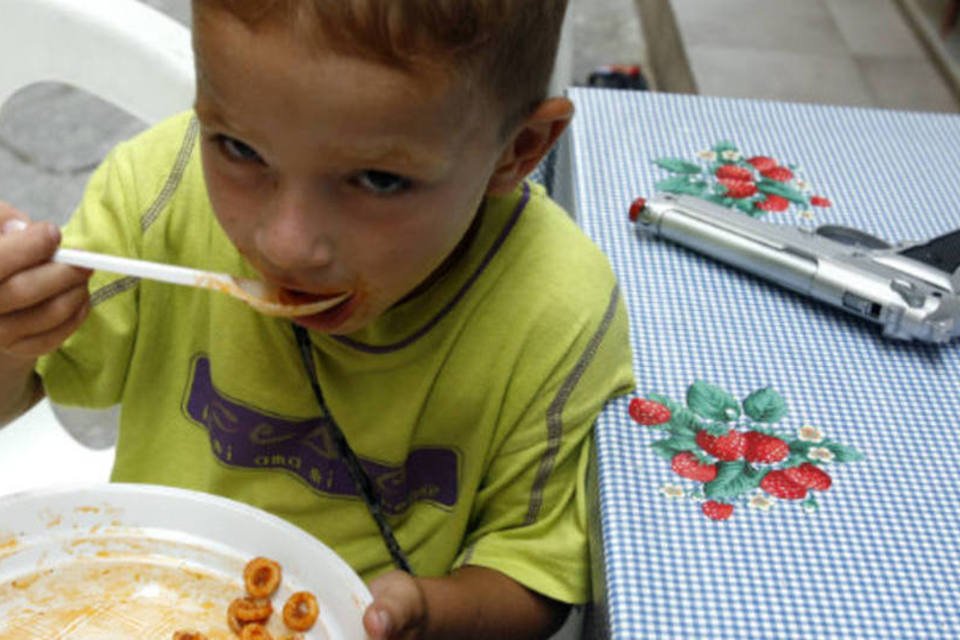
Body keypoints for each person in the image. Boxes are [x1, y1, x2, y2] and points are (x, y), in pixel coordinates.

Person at [0, 1, 635, 638]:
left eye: (379, 181)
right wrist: (11, 337)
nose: (286, 245)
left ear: (517, 151)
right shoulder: (154, 198)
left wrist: (430, 612)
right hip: (144, 601)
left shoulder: (557, 312)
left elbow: (535, 575)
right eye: (240, 149)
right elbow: (20, 394)